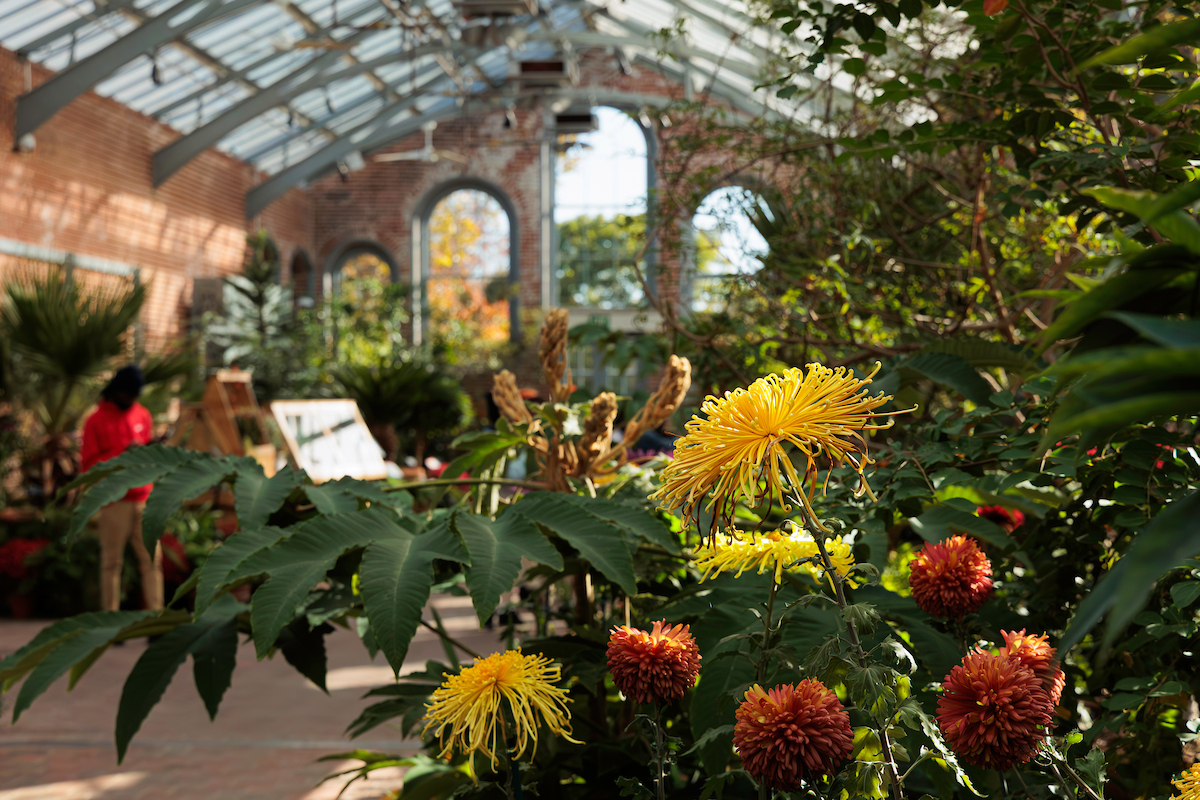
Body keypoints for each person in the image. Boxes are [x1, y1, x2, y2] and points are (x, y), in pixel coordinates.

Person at [80, 365, 163, 612]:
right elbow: (88, 466)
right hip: (115, 500)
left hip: (145, 498)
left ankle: (156, 619)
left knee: (152, 561)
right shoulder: (95, 420)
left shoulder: (143, 415)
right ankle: (111, 620)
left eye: (135, 396)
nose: (131, 400)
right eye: (128, 395)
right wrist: (122, 454)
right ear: (117, 391)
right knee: (111, 563)